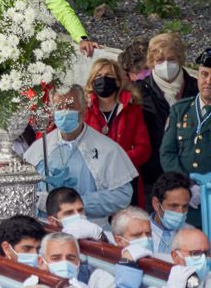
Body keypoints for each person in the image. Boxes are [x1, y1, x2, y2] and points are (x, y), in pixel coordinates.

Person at [24, 84, 138, 221]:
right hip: (46, 229)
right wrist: (39, 200)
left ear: (83, 110)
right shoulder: (39, 148)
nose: (65, 112)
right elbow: (23, 190)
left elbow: (122, 195)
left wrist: (77, 204)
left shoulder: (108, 149)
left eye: (70, 107)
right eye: (59, 107)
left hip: (89, 227)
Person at [85, 57, 151, 204]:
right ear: (91, 81)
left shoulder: (133, 110)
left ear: (118, 81)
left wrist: (117, 161)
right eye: (98, 76)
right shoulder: (83, 111)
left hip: (126, 179)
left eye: (109, 76)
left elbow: (144, 149)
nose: (103, 80)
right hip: (93, 182)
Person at [139, 32, 197, 189]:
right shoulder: (138, 92)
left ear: (180, 59)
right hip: (152, 176)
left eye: (171, 59)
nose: (166, 64)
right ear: (151, 62)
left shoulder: (197, 89)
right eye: (159, 60)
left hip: (193, 175)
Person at [160, 48, 211, 210]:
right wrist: (187, 186)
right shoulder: (180, 110)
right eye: (204, 74)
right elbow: (167, 153)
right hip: (184, 200)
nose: (208, 81)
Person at [150, 171, 193, 254]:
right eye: (173, 206)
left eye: (185, 206)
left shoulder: (192, 234)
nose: (180, 212)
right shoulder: (140, 233)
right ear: (156, 204)